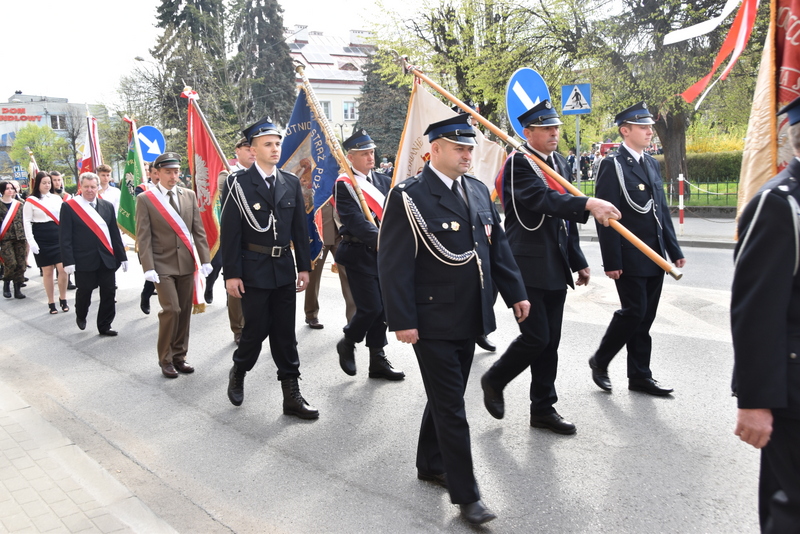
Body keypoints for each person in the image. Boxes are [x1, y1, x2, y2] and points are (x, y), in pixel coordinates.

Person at [378, 114, 530, 525]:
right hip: (431, 320)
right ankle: (467, 496)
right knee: (452, 407)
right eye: (459, 148)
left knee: (446, 397)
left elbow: (496, 249)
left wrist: (516, 292)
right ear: (435, 149)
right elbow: (393, 264)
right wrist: (402, 320)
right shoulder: (409, 196)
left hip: (470, 314)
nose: (467, 155)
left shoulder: (477, 190)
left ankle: (430, 462)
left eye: (469, 148)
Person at [480, 100, 620, 434]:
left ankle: (543, 408)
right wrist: (589, 203)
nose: (554, 133)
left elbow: (563, 223)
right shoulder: (519, 163)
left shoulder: (558, 163)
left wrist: (578, 260)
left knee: (550, 342)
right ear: (527, 133)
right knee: (536, 338)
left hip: (554, 265)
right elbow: (543, 200)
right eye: (546, 128)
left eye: (556, 127)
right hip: (525, 265)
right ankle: (495, 378)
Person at [731, 96, 800, 533]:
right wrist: (754, 401)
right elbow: (755, 310)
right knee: (791, 510)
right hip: (793, 392)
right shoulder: (779, 203)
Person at [220, 117, 317, 419]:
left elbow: (300, 228)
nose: (275, 149)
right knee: (256, 330)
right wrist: (231, 274)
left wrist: (304, 267)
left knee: (285, 333)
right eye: (268, 144)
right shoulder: (237, 184)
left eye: (277, 143)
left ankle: (291, 395)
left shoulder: (289, 182)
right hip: (253, 269)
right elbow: (230, 233)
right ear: (253, 150)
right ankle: (239, 369)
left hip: (283, 268)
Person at [588, 102, 685, 396]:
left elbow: (661, 211)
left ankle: (640, 376)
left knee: (646, 318)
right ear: (625, 131)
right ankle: (600, 360)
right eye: (643, 127)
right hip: (629, 254)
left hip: (655, 254)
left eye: (650, 127)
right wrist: (611, 261)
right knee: (634, 311)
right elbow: (605, 218)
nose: (649, 132)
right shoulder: (613, 165)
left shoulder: (651, 163)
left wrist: (674, 250)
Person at [334, 129, 404, 380]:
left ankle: (377, 359)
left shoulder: (384, 181)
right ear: (350, 157)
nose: (370, 157)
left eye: (372, 152)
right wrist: (382, 241)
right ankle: (348, 341)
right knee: (371, 307)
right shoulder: (344, 185)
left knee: (383, 310)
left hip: (383, 255)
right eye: (364, 153)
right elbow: (354, 221)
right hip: (359, 253)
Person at [136, 152, 212, 378]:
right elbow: (144, 236)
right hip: (161, 264)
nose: (173, 176)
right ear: (157, 173)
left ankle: (180, 355)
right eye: (168, 172)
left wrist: (205, 259)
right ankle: (165, 359)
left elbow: (198, 230)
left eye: (176, 171)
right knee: (172, 309)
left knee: (185, 311)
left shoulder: (188, 195)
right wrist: (148, 266)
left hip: (186, 262)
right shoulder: (146, 199)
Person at [59, 173, 127, 335]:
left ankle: (105, 325)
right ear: (80, 187)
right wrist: (68, 261)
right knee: (85, 291)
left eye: (93, 187)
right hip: (83, 259)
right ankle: (81, 314)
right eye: (86, 187)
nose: (89, 190)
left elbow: (114, 234)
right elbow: (65, 237)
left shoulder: (107, 206)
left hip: (106, 258)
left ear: (98, 187)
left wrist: (122, 256)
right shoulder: (69, 207)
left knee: (109, 292)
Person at [209, 138, 253, 344]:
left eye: (253, 149)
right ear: (237, 151)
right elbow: (227, 197)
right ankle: (238, 328)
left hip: (258, 239)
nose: (252, 153)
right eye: (247, 149)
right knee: (236, 284)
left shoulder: (264, 174)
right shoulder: (227, 174)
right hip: (237, 238)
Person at [304, 201, 356, 329]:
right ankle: (311, 314)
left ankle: (353, 320)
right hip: (318, 234)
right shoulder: (312, 186)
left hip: (341, 234)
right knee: (313, 277)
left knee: (349, 276)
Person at [23, 171, 69, 314]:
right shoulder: (31, 201)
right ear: (37, 184)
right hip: (41, 237)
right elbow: (26, 222)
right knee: (48, 271)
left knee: (63, 269)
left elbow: (64, 218)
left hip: (57, 236)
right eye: (44, 183)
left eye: (49, 182)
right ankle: (51, 301)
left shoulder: (56, 198)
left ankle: (63, 298)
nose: (47, 185)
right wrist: (31, 241)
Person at [137, 163, 160, 315]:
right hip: (149, 235)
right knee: (154, 268)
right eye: (155, 173)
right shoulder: (142, 190)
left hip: (168, 236)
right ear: (149, 174)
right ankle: (146, 296)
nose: (158, 176)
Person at [0, 180, 27, 299]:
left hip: (20, 237)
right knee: (11, 263)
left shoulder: (20, 204)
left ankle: (17, 289)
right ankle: (6, 283)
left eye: (12, 188)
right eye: (7, 188)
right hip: (5, 238)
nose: (10, 190)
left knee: (21, 264)